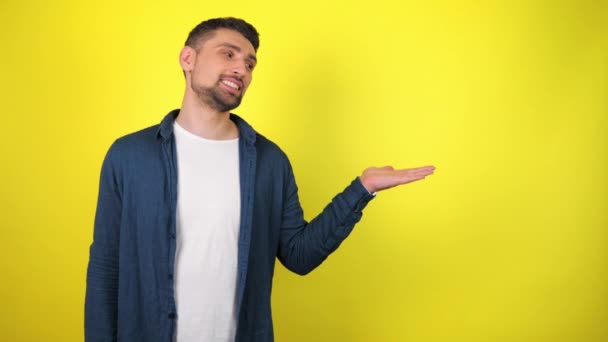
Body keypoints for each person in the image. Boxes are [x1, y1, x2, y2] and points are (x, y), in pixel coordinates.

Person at [85, 17, 435, 342]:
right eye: (229, 54)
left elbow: (299, 255)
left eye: (250, 63)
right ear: (187, 58)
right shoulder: (129, 156)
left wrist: (362, 189)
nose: (242, 68)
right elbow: (106, 266)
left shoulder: (270, 162)